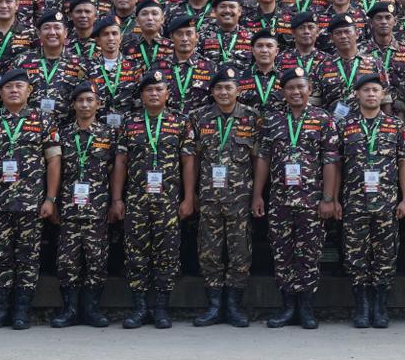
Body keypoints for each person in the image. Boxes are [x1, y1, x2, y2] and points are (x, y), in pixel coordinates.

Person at [0, 67, 61, 331]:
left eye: (19, 86)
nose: (13, 90)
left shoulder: (43, 120)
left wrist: (51, 198)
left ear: (29, 91)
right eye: (8, 87)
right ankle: (1, 308)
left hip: (31, 203)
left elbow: (53, 161)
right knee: (0, 256)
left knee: (28, 257)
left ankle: (22, 309)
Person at [253, 66, 339, 329]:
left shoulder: (324, 119)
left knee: (309, 253)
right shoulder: (273, 121)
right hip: (280, 199)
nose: (296, 91)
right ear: (283, 92)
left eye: (301, 87)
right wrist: (258, 194)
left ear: (310, 90)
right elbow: (263, 158)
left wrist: (328, 198)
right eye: (290, 87)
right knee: (283, 253)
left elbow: (331, 162)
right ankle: (287, 306)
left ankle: (306, 308)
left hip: (311, 200)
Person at [112, 69, 194, 330]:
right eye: (149, 90)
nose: (154, 93)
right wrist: (117, 198)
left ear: (168, 94)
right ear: (142, 95)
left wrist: (188, 197)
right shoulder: (129, 122)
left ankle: (161, 308)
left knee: (167, 254)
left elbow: (188, 162)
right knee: (135, 254)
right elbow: (121, 162)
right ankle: (140, 309)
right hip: (137, 198)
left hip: (169, 200)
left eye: (159, 89)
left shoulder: (180, 122)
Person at [338, 73, 405, 329]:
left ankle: (380, 306)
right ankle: (362, 306)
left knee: (385, 254)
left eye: (375, 90)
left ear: (383, 95)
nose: (371, 94)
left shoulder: (395, 125)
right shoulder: (344, 125)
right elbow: (335, 165)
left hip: (387, 201)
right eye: (366, 90)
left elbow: (403, 162)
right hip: (354, 200)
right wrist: (334, 198)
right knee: (355, 254)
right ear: (357, 94)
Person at [190, 65, 260, 328]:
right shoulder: (199, 117)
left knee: (240, 250)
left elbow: (258, 160)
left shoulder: (252, 117)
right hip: (209, 196)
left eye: (228, 87)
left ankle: (233, 305)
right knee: (209, 250)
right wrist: (191, 193)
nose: (223, 92)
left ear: (238, 91)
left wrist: (257, 195)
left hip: (240, 197)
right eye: (218, 87)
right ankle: (214, 305)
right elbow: (193, 159)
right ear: (211, 91)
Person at [50, 85, 115, 329]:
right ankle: (70, 309)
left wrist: (113, 202)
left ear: (98, 104)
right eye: (80, 100)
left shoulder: (109, 135)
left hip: (98, 207)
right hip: (68, 207)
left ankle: (92, 309)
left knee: (96, 259)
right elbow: (54, 170)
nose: (85, 105)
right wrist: (53, 201)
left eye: (90, 100)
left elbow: (115, 171)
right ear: (73, 105)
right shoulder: (62, 134)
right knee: (67, 260)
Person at [156, 14, 214, 114]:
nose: (184, 39)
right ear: (171, 37)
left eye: (189, 34)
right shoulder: (158, 66)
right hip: (169, 124)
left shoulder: (210, 67)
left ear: (196, 37)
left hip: (200, 123)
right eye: (179, 34)